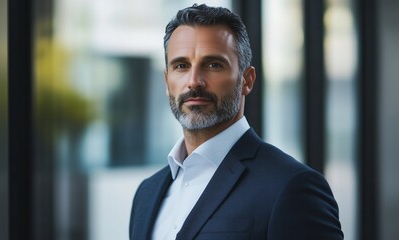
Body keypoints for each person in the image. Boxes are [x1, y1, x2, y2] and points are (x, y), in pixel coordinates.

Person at [129, 4, 343, 240]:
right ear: (167, 80)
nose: (194, 81)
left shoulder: (291, 186)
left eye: (213, 65)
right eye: (181, 66)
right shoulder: (146, 194)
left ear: (247, 80)